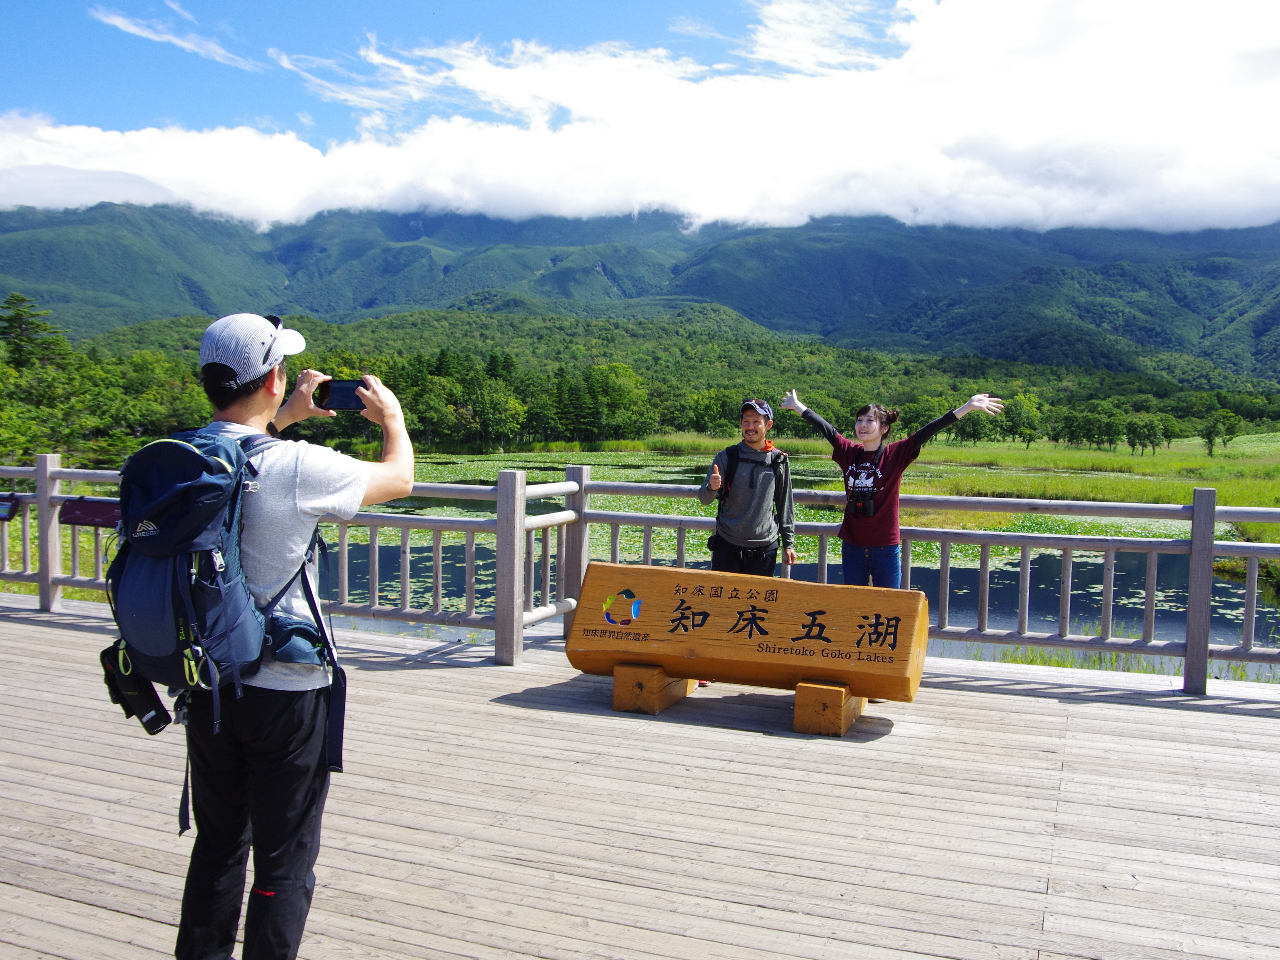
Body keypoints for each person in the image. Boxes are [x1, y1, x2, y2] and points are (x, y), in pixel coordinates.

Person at [177, 313, 414, 960]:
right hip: (286, 687)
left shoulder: (182, 456)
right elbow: (399, 480)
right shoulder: (298, 465)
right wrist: (391, 419)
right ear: (276, 378)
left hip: (207, 681)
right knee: (282, 861)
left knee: (219, 844)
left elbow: (240, 457)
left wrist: (285, 415)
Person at [780, 390, 1003, 588]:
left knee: (889, 608)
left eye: (870, 420)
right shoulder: (849, 451)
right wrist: (797, 406)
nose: (863, 425)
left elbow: (929, 430)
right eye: (859, 420)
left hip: (884, 547)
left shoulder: (895, 454)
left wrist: (967, 407)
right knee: (854, 606)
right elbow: (826, 429)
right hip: (852, 545)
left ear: (884, 428)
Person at [696, 399, 797, 577]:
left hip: (764, 549)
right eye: (746, 421)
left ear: (768, 425)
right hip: (727, 545)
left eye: (756, 421)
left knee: (757, 604)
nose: (750, 426)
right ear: (741, 424)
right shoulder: (726, 456)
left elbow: (785, 504)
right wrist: (712, 488)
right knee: (723, 603)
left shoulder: (778, 459)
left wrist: (789, 543)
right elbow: (704, 499)